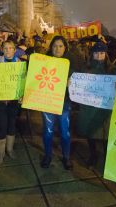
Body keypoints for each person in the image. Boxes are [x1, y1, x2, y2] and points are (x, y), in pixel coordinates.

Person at [76, 42, 116, 168]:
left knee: (105, 133)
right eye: (96, 53)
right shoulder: (86, 68)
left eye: (101, 53)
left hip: (105, 106)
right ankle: (93, 155)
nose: (99, 56)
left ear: (105, 54)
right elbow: (80, 84)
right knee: (91, 132)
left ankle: (107, 158)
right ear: (92, 54)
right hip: (89, 107)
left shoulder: (112, 69)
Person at [41, 36, 74, 170]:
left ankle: (66, 157)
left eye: (61, 46)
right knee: (48, 132)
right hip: (47, 102)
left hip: (64, 103)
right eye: (55, 45)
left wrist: (71, 84)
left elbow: (78, 86)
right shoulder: (43, 62)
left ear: (65, 48)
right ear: (51, 47)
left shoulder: (70, 64)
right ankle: (48, 155)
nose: (57, 48)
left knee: (65, 132)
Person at [0, 40, 21, 164]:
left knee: (12, 125)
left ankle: (10, 150)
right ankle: (1, 153)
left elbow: (23, 81)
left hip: (14, 100)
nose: (8, 50)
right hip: (0, 100)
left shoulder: (20, 63)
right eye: (5, 48)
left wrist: (21, 94)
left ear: (15, 50)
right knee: (1, 125)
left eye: (11, 48)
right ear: (2, 50)